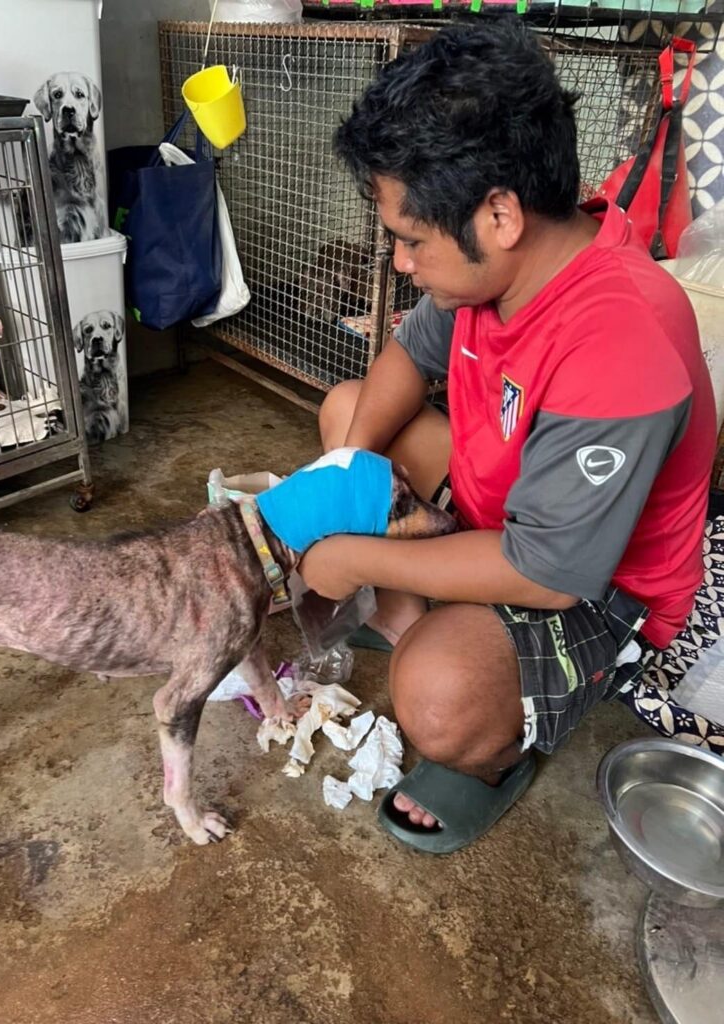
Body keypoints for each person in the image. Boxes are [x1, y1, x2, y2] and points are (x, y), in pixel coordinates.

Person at [298, 19, 717, 854]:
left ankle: (495, 740)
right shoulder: (485, 276)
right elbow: (403, 363)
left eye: (411, 240)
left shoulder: (621, 339)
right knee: (350, 413)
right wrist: (339, 471)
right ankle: (425, 612)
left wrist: (347, 556)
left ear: (499, 215)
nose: (402, 263)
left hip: (600, 584)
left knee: (438, 698)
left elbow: (551, 570)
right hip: (508, 499)